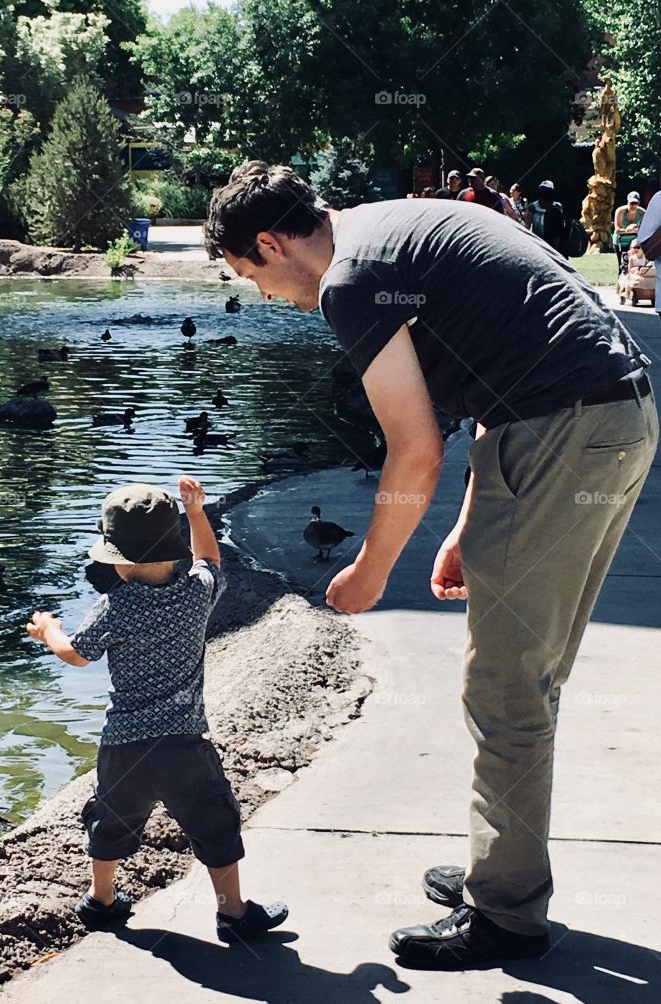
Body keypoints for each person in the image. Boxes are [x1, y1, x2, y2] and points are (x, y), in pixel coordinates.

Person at [203, 162, 657, 969]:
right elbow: (502, 371)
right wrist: (469, 521)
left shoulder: (351, 281)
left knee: (508, 686)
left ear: (271, 243)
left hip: (563, 433)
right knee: (526, 676)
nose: (268, 296)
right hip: (610, 418)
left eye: (252, 276)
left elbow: (412, 451)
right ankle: (501, 866)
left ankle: (506, 917)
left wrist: (371, 573)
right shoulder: (393, 223)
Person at [26, 477, 289, 944]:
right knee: (214, 820)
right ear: (174, 548)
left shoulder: (114, 607)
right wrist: (196, 511)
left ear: (117, 559)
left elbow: (78, 655)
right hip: (184, 745)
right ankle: (232, 912)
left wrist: (48, 631)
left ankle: (101, 899)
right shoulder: (196, 593)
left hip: (123, 744)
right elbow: (210, 558)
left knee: (110, 817)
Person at [527, 180, 566, 251]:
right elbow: (527, 225)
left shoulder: (557, 208)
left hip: (551, 246)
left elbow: (558, 233)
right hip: (536, 242)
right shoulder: (532, 207)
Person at [614, 191, 644, 272]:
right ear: (628, 202)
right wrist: (629, 230)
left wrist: (635, 231)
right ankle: (620, 283)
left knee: (633, 265)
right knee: (622, 265)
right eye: (631, 203)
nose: (633, 205)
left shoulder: (642, 212)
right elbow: (618, 230)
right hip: (621, 241)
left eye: (635, 203)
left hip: (634, 243)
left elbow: (643, 229)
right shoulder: (620, 211)